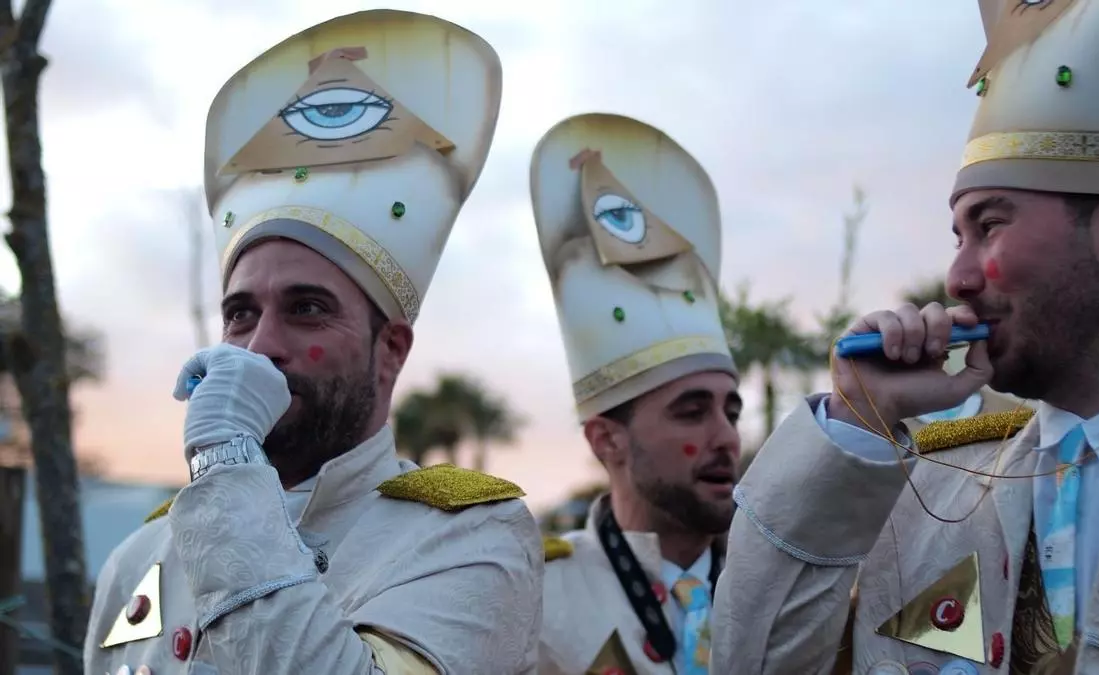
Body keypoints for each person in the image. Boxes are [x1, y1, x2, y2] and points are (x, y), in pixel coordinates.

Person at [711, 1, 1099, 673]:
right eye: (957, 236)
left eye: (990, 225)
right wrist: (858, 423)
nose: (957, 277)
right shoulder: (927, 492)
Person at [83, 11, 543, 675]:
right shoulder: (140, 555)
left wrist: (226, 461)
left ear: (391, 351)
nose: (260, 346)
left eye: (307, 309)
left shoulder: (472, 534)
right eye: (240, 314)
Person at [529, 113, 743, 674]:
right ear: (606, 440)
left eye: (731, 410)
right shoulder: (534, 603)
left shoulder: (778, 590)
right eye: (691, 412)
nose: (726, 437)